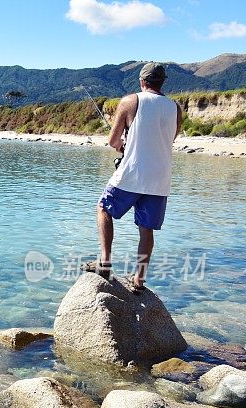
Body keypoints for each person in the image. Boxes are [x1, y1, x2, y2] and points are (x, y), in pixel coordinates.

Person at [85, 62, 182, 293]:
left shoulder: (131, 101)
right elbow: (169, 139)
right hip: (160, 178)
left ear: (142, 81)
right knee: (146, 228)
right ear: (162, 82)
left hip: (132, 172)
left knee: (103, 208)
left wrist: (124, 146)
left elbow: (113, 141)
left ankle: (105, 263)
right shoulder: (175, 108)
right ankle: (139, 280)